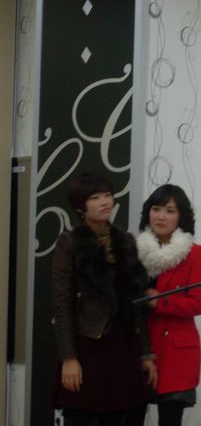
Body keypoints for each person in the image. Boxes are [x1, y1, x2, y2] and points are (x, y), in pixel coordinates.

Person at [51, 173, 155, 426]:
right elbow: (62, 305)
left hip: (124, 346)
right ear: (80, 207)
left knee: (124, 416)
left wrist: (146, 354)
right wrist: (69, 358)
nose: (104, 202)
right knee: (84, 415)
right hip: (88, 345)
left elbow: (136, 302)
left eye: (107, 195)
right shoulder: (69, 242)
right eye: (95, 197)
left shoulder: (126, 240)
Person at [137, 184, 201, 426]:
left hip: (176, 352)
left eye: (170, 211)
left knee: (170, 420)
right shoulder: (135, 251)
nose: (161, 216)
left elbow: (197, 303)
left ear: (181, 216)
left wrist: (160, 301)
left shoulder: (194, 253)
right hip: (141, 345)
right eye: (156, 209)